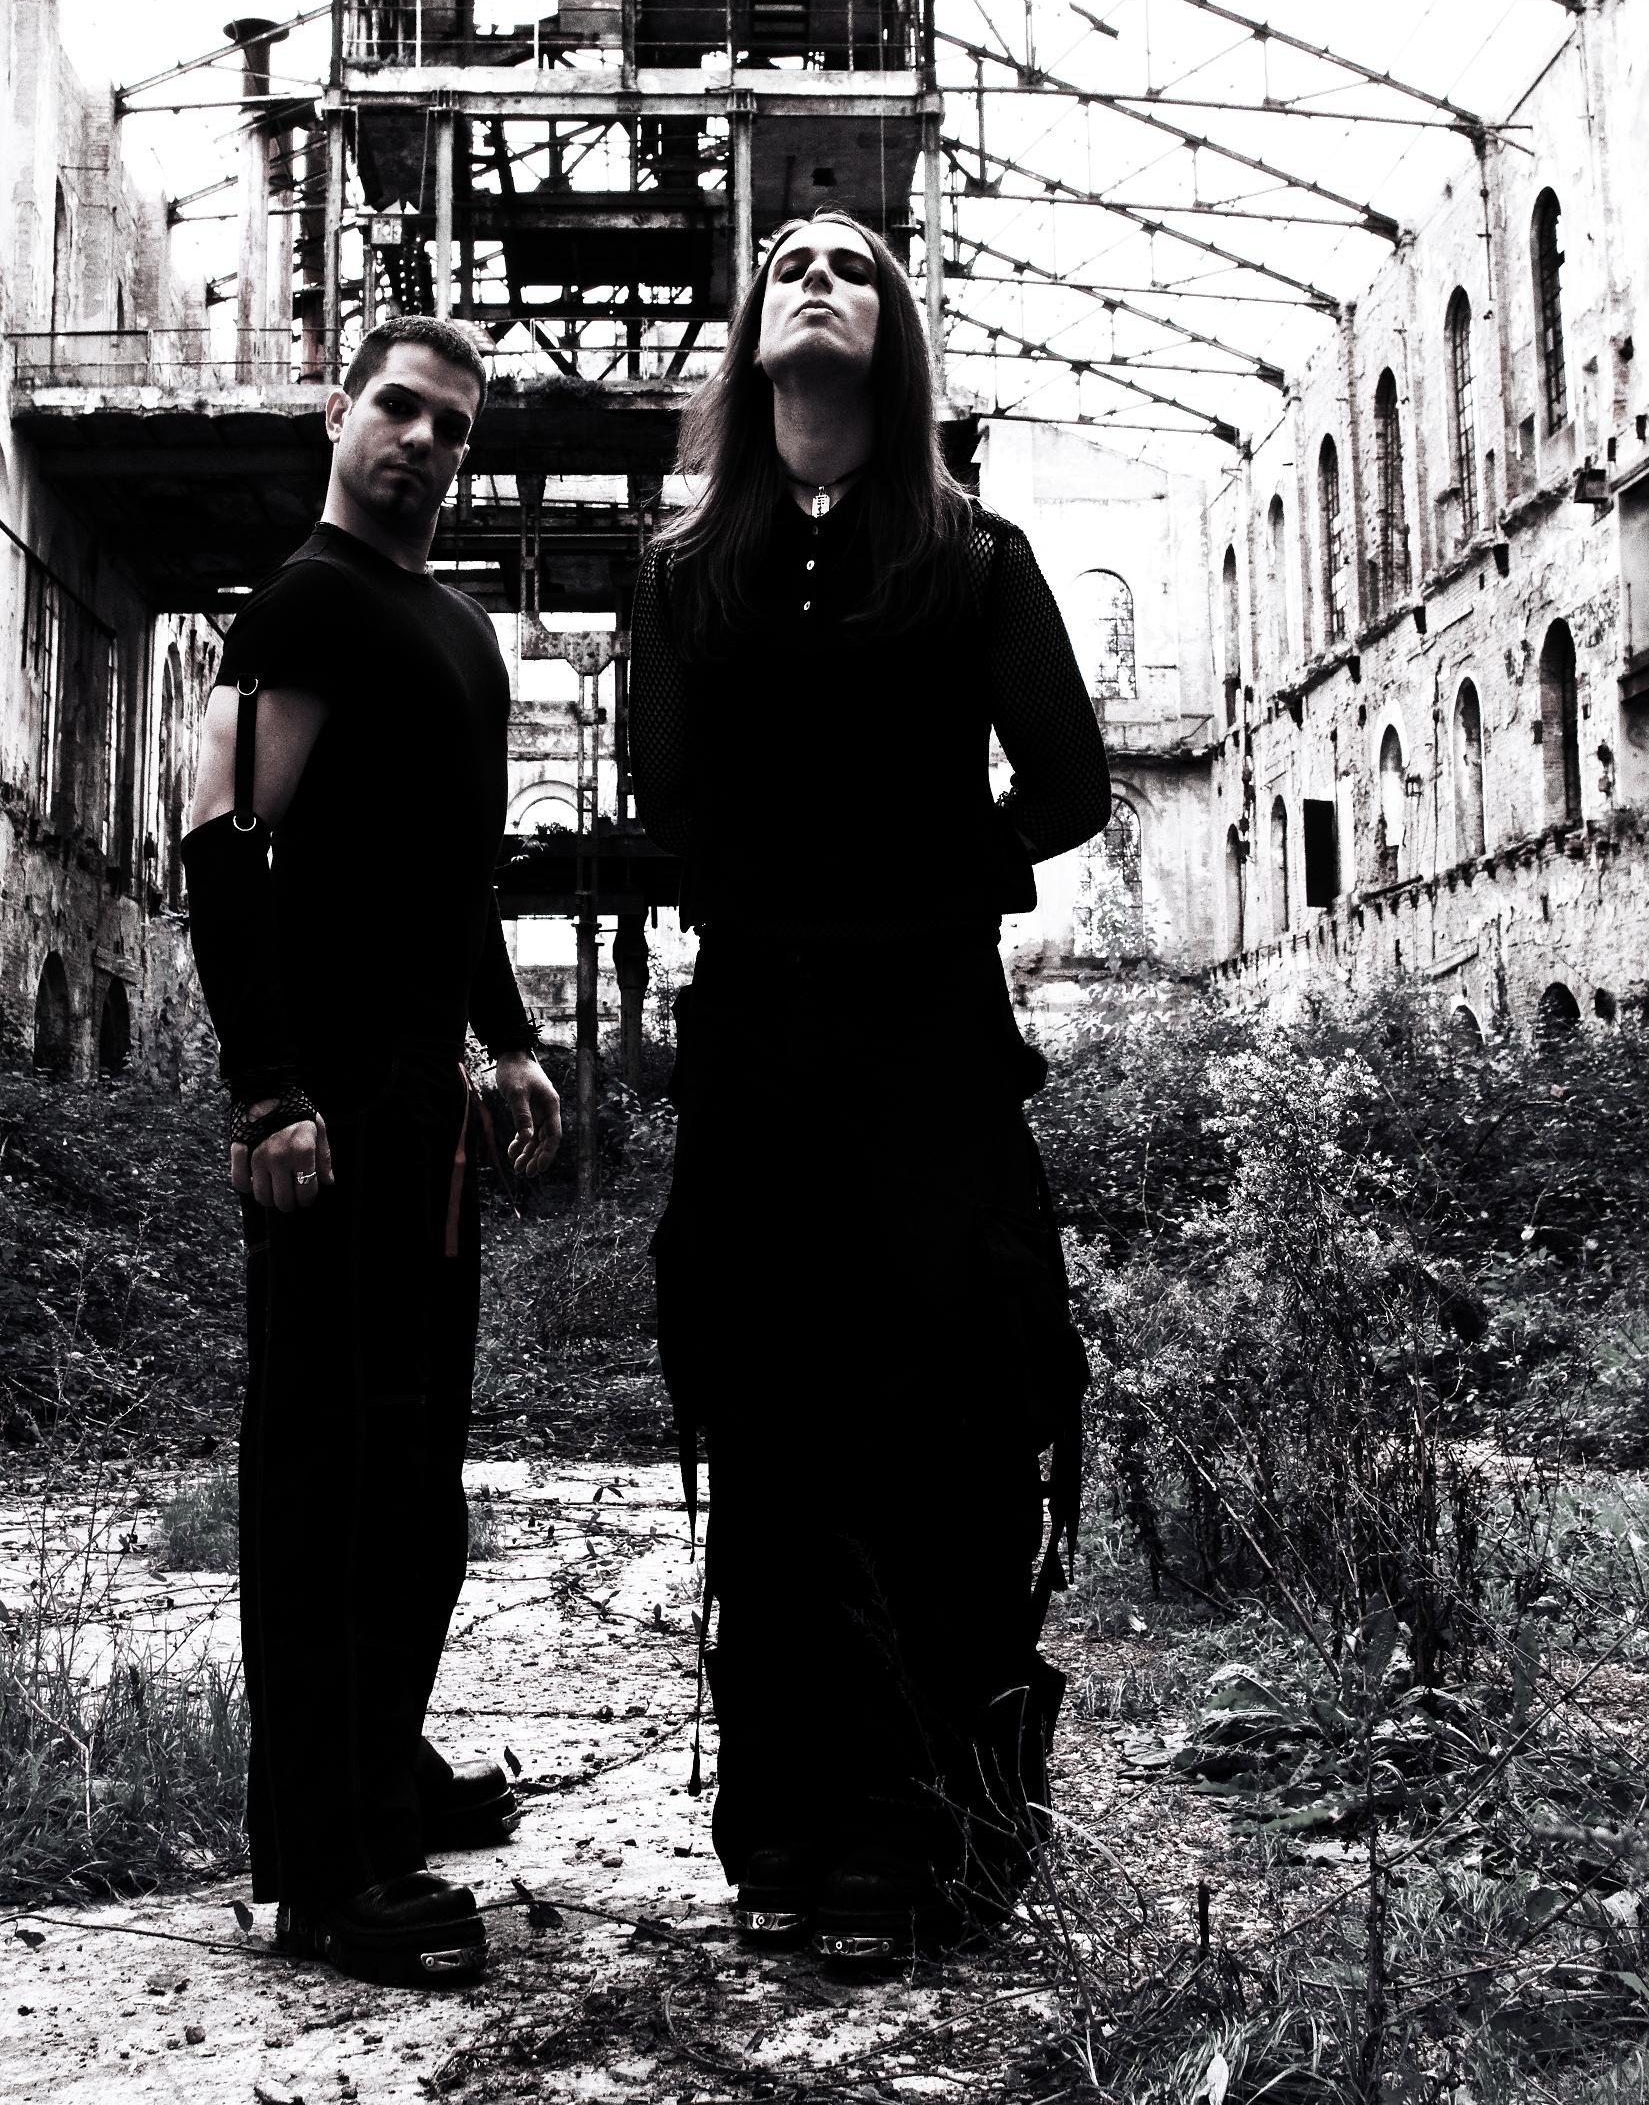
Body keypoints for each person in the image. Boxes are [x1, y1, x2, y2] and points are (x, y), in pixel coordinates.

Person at [630, 212, 1110, 1964]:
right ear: (752, 334)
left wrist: (929, 879)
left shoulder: (974, 556)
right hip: (758, 1055)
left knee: (943, 1430)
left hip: (928, 1061)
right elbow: (671, 798)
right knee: (770, 1425)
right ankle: (784, 1817)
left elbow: (1068, 783)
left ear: (895, 339)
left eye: (853, 263)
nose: (817, 274)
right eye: (789, 262)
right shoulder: (684, 575)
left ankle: (915, 1829)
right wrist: (787, 898)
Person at [183, 315, 562, 1987]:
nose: (422, 440)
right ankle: (325, 1867)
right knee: (323, 1474)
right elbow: (225, 846)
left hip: (423, 1114)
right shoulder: (305, 604)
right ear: (338, 416)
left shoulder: (459, 635)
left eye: (453, 425)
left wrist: (513, 1040)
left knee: (412, 1471)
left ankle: (381, 1764)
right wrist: (266, 1093)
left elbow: (447, 877)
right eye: (397, 407)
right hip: (327, 1113)